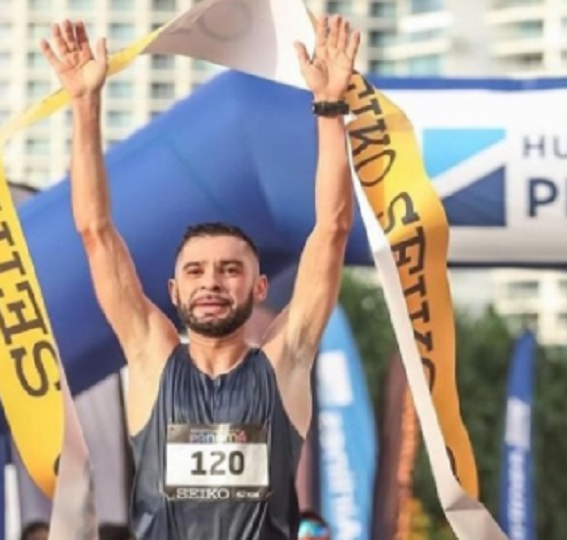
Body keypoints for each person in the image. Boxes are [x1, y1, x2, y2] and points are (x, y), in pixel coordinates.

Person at [39, 11, 359, 540]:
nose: (211, 282)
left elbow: (332, 229)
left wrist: (329, 107)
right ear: (174, 291)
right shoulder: (151, 355)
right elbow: (95, 231)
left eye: (230, 270)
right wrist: (84, 102)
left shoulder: (285, 360)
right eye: (196, 271)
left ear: (259, 290)